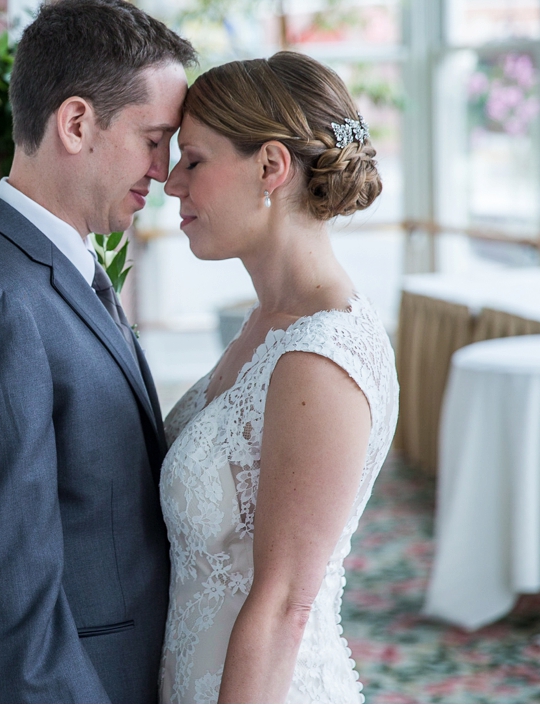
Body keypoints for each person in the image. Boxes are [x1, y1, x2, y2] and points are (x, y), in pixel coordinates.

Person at [0, 0, 196, 703]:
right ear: (75, 123)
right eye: (153, 139)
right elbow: (9, 590)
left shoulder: (48, 268)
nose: (163, 170)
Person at [157, 51, 399, 704]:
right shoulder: (268, 321)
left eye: (194, 160)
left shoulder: (320, 359)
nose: (171, 182)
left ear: (270, 166)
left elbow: (286, 605)